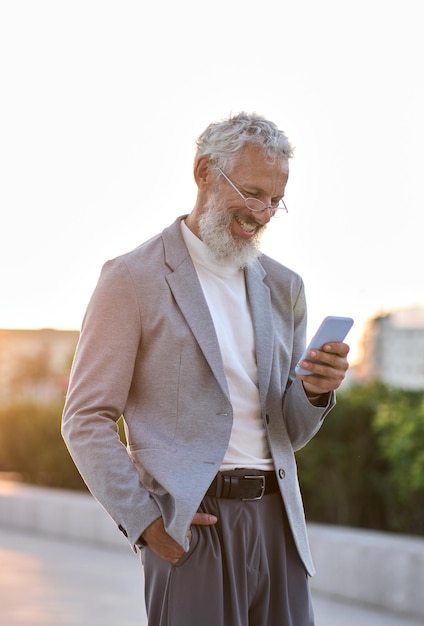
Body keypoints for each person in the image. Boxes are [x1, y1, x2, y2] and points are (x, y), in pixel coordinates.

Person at [62, 112, 350, 626]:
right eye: (253, 192)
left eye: (276, 201)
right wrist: (147, 522)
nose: (263, 213)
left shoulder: (285, 288)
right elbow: (85, 418)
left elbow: (290, 433)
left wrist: (313, 391)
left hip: (280, 524)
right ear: (203, 172)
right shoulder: (131, 278)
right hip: (194, 525)